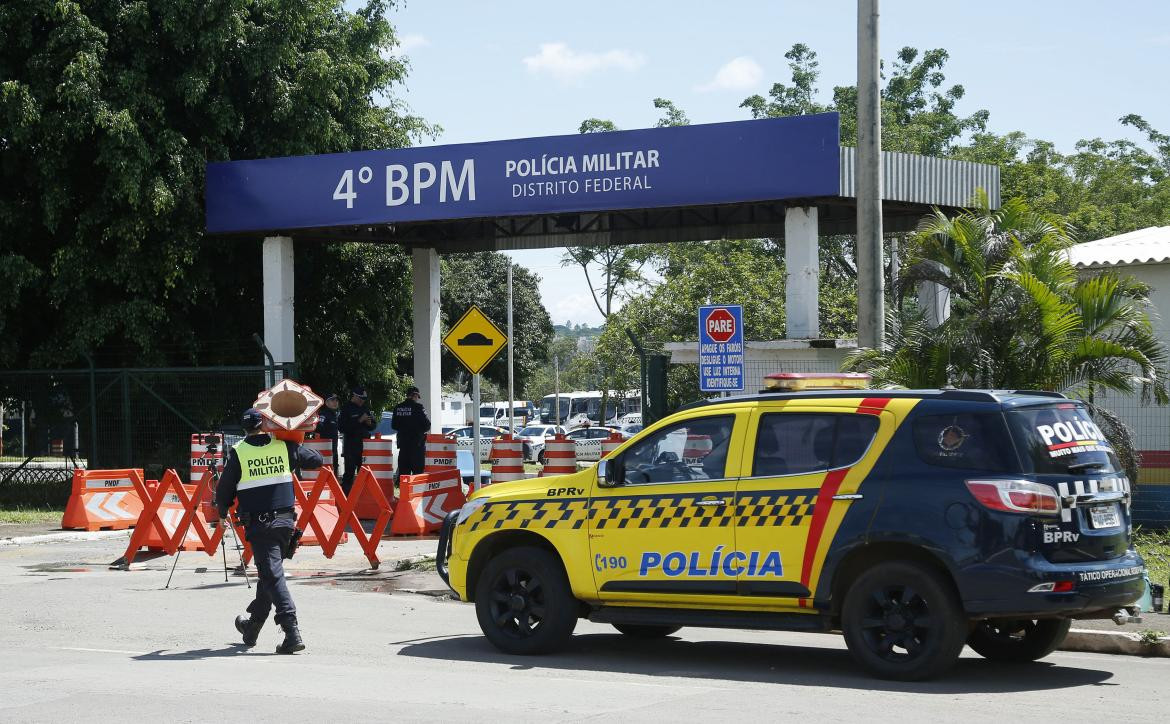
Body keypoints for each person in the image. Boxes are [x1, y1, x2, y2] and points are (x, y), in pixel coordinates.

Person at [216, 408, 322, 654]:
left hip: (261, 526)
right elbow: (316, 460)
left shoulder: (240, 453)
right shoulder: (283, 447)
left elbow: (224, 493)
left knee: (273, 576)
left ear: (244, 429)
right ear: (265, 424)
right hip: (285, 525)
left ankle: (291, 631)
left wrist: (222, 514)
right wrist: (293, 440)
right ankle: (252, 627)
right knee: (269, 573)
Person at [338, 387, 377, 495]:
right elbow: (342, 428)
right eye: (360, 398)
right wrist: (359, 420)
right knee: (349, 473)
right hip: (351, 446)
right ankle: (346, 497)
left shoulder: (365, 408)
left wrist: (369, 424)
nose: (362, 401)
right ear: (354, 396)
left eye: (364, 399)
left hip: (364, 446)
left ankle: (362, 496)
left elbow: (373, 425)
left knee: (364, 473)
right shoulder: (346, 409)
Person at [391, 386, 431, 479]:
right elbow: (427, 425)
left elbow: (394, 425)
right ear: (415, 395)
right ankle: (417, 494)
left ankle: (404, 493)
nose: (417, 399)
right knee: (418, 475)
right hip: (416, 446)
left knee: (404, 476)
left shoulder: (398, 407)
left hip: (403, 447)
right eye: (417, 396)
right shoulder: (418, 407)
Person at [314, 393, 340, 469]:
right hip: (324, 450)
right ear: (326, 403)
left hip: (333, 449)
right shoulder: (323, 414)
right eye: (332, 400)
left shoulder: (335, 415)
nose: (335, 402)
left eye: (336, 400)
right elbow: (318, 428)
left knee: (334, 467)